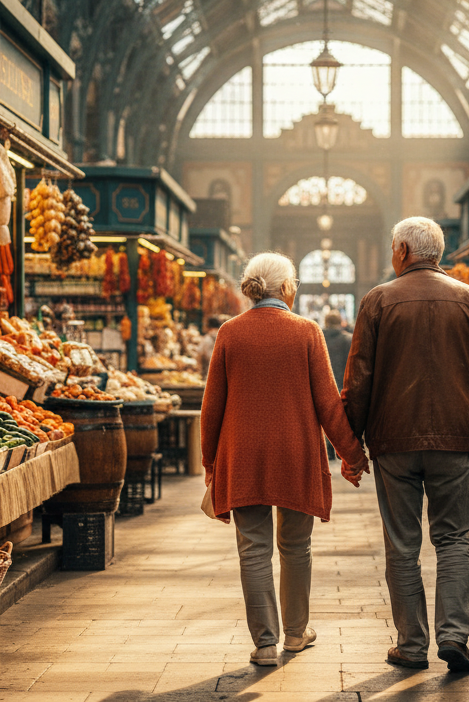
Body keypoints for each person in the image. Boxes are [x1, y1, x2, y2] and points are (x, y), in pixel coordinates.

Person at [341, 217, 469, 673]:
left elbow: (359, 381)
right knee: (454, 540)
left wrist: (351, 446)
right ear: (438, 252)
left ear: (401, 251)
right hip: (457, 440)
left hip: (393, 441)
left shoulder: (377, 301)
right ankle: (454, 637)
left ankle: (411, 644)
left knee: (402, 544)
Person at [201, 253, 370, 667]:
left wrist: (211, 464)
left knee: (253, 550)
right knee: (296, 546)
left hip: (242, 455)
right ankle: (295, 634)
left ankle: (263, 643)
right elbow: (329, 404)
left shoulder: (229, 333)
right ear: (288, 289)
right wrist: (352, 454)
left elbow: (212, 407)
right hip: (295, 454)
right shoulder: (306, 332)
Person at [322, 311, 353, 460]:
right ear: (341, 322)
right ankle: (342, 450)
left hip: (324, 384)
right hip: (343, 383)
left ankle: (328, 450)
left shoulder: (319, 338)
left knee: (326, 418)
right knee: (342, 419)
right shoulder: (348, 340)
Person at [197, 314, 227, 379]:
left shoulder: (206, 339)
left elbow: (199, 354)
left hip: (209, 376)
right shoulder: (225, 337)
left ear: (208, 326)